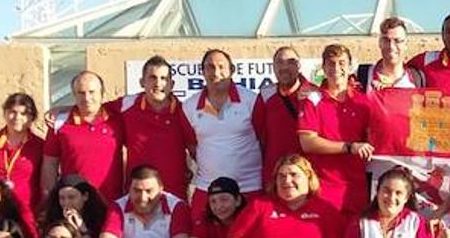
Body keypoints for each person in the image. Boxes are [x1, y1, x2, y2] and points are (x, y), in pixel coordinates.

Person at [105, 55, 198, 201]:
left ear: (172, 84)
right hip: (138, 196)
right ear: (142, 82)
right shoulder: (127, 105)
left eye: (163, 78)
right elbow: (93, 109)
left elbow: (196, 151)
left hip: (174, 196)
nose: (158, 83)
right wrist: (62, 110)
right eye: (152, 78)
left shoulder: (185, 111)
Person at [184, 49, 265, 216]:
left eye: (221, 67)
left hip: (248, 187)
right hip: (207, 189)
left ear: (232, 70)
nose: (216, 72)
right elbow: (192, 147)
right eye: (210, 67)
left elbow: (264, 140)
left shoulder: (252, 100)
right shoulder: (188, 106)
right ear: (203, 72)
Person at [297, 44, 374, 213]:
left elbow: (373, 138)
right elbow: (307, 142)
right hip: (323, 187)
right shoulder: (312, 99)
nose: (336, 68)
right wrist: (349, 147)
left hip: (356, 189)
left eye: (341, 63)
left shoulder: (364, 102)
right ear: (323, 68)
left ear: (350, 67)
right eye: (331, 63)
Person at [42, 71, 125, 201]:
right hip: (74, 203)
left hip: (112, 203)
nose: (86, 98)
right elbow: (50, 164)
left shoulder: (117, 120)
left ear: (102, 94)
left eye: (92, 92)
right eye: (81, 93)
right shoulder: (59, 123)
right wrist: (51, 198)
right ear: (74, 95)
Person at [98, 165, 192, 238]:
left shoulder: (177, 206)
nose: (143, 197)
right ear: (129, 190)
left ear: (161, 189)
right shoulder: (118, 206)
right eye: (137, 191)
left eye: (149, 191)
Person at [0, 92, 45, 230]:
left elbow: (45, 181)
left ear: (32, 117)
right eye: (12, 112)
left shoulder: (40, 145)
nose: (17, 118)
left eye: (24, 113)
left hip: (27, 213)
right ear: (5, 113)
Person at [256, 47, 318, 182]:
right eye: (279, 62)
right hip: (274, 174)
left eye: (290, 62)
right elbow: (259, 135)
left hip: (307, 174)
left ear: (299, 66)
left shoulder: (315, 94)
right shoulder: (266, 95)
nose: (284, 67)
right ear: (273, 67)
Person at [39, 174, 109, 238]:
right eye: (62, 198)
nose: (66, 203)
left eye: (71, 197)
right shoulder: (53, 218)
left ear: (85, 196)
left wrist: (81, 228)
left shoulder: (100, 218)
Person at [364, 18, 424, 91]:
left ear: (406, 44)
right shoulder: (364, 76)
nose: (391, 46)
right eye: (386, 40)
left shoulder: (416, 79)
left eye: (397, 41)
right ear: (380, 43)